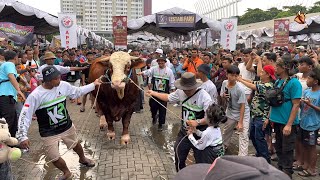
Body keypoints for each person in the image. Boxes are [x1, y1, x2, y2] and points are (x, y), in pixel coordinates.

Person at [16, 66, 101, 180]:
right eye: (56, 78)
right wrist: (22, 136)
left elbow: (77, 92)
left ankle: (82, 158)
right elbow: (25, 115)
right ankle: (66, 172)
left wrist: (93, 85)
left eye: (59, 77)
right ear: (48, 80)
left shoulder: (63, 85)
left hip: (66, 126)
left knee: (76, 145)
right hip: (48, 132)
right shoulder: (35, 95)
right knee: (54, 157)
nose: (59, 80)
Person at [145, 72, 213, 171]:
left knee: (201, 160)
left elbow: (210, 118)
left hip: (200, 133)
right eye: (185, 89)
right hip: (185, 131)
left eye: (189, 89)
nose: (187, 91)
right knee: (178, 153)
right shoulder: (180, 92)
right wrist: (153, 93)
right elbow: (168, 97)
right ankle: (180, 173)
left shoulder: (204, 96)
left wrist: (197, 122)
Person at [269, 56, 302, 178]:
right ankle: (280, 170)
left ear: (285, 68)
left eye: (277, 66)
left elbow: (296, 104)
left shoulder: (294, 83)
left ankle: (287, 173)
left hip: (287, 123)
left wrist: (289, 124)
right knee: (278, 147)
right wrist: (269, 117)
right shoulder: (278, 81)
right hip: (276, 120)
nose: (275, 68)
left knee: (287, 150)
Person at [237, 65, 276, 163]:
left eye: (262, 72)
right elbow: (252, 82)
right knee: (253, 136)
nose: (260, 74)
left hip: (262, 117)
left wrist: (240, 80)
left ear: (268, 75)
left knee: (259, 138)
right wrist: (241, 78)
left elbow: (253, 86)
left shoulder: (268, 86)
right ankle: (260, 154)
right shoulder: (262, 82)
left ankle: (265, 158)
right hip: (255, 115)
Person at [139, 54, 175, 130]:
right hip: (154, 91)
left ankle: (161, 124)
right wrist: (142, 73)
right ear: (157, 62)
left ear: (165, 62)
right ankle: (154, 116)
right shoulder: (154, 69)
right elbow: (148, 72)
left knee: (162, 108)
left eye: (162, 62)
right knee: (153, 106)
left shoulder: (169, 71)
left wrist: (172, 89)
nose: (160, 64)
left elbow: (172, 81)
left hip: (164, 93)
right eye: (159, 62)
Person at [220, 65, 251, 156]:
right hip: (230, 110)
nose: (233, 78)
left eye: (235, 76)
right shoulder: (224, 83)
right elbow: (222, 94)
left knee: (243, 134)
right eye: (232, 75)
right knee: (227, 130)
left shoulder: (239, 88)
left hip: (243, 112)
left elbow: (243, 105)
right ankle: (223, 147)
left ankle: (242, 156)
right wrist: (223, 96)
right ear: (227, 74)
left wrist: (240, 122)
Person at [296, 67, 320, 177]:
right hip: (303, 122)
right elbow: (303, 106)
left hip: (313, 125)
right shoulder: (306, 91)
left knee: (311, 147)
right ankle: (305, 165)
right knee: (304, 145)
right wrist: (301, 103)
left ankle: (312, 169)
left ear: (316, 81)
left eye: (310, 78)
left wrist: (310, 104)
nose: (307, 80)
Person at [0, 50, 25, 137]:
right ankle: (5, 144)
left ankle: (11, 143)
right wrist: (18, 90)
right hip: (5, 95)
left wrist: (25, 83)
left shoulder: (6, 65)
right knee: (8, 121)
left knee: (13, 121)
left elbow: (17, 76)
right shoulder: (9, 64)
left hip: (8, 96)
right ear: (15, 57)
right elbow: (11, 76)